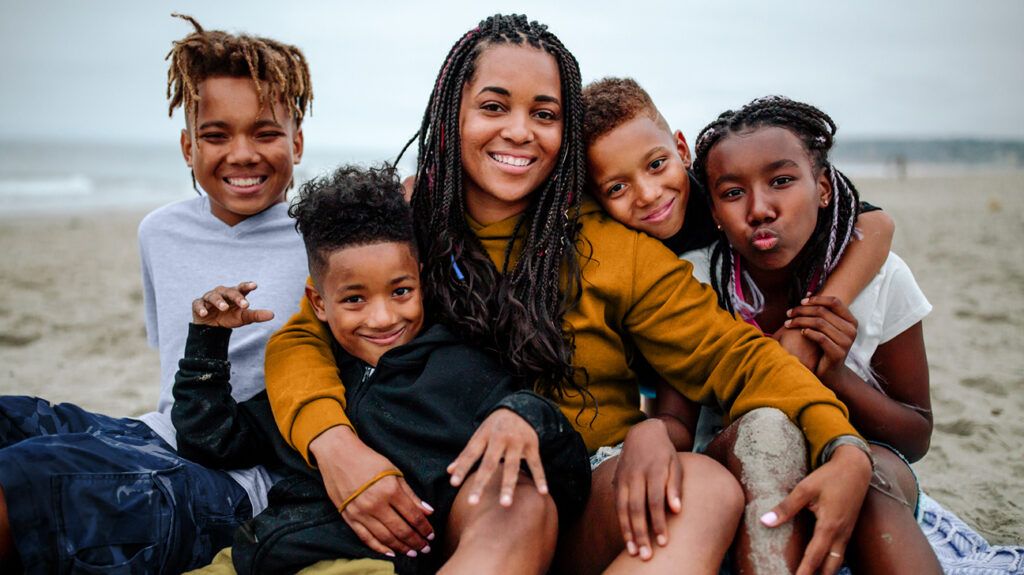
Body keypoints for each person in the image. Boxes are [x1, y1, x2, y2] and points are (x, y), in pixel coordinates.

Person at [264, 14, 873, 575]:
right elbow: (300, 337)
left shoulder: (611, 247)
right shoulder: (404, 224)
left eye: (545, 114)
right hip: (440, 494)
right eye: (495, 106)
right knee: (511, 502)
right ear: (454, 111)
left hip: (583, 491)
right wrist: (334, 445)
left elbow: (732, 355)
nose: (520, 132)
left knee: (705, 489)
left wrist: (841, 442)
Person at [0, 15, 311, 573]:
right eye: (216, 135)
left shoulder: (324, 241)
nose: (242, 153)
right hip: (155, 433)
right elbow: (169, 366)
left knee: (28, 476)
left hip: (238, 478)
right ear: (188, 146)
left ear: (298, 140)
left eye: (265, 133)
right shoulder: (158, 231)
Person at [171, 165, 590, 574]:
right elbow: (211, 441)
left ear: (421, 281)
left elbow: (564, 473)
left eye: (401, 291)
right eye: (355, 299)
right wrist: (208, 342)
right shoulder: (317, 382)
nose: (383, 317)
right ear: (319, 303)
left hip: (365, 563)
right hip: (254, 555)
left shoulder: (461, 369)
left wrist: (522, 414)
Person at [686, 95, 1024, 574]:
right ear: (714, 209)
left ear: (823, 187)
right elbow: (683, 428)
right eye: (733, 192)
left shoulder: (882, 278)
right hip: (739, 471)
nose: (760, 209)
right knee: (769, 438)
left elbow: (916, 434)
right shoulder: (699, 282)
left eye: (782, 181)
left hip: (870, 474)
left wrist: (837, 376)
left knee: (866, 475)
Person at [581, 78, 900, 571]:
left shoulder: (722, 201)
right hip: (682, 387)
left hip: (739, 373)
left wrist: (816, 313)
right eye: (617, 187)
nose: (647, 194)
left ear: (680, 149)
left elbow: (874, 224)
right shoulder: (621, 251)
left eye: (658, 164)